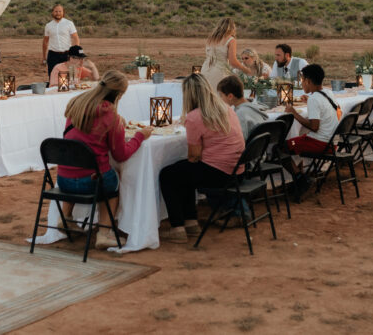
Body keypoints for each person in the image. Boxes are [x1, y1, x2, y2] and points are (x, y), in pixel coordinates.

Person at [56, 70, 152, 249]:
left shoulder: (76, 105)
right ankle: (104, 232)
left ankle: (66, 216)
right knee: (112, 178)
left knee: (77, 164)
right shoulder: (111, 118)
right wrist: (139, 136)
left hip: (63, 181)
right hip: (90, 183)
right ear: (120, 94)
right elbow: (120, 155)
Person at [158, 73, 245, 244]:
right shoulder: (224, 108)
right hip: (236, 170)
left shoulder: (195, 117)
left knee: (168, 175)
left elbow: (194, 155)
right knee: (185, 171)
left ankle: (178, 227)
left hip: (220, 174)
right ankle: (191, 222)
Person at [283, 64, 339, 197]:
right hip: (332, 142)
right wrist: (311, 100)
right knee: (295, 140)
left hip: (321, 143)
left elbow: (314, 127)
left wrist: (294, 113)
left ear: (308, 81)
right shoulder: (327, 93)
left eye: (302, 81)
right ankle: (301, 176)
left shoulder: (314, 99)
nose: (302, 84)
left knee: (280, 148)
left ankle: (300, 179)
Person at [200, 17, 248, 90]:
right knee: (221, 96)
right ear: (232, 27)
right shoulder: (231, 40)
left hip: (205, 69)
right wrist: (245, 69)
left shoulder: (210, 38)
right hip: (220, 71)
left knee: (208, 95)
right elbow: (233, 62)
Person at [43, 4, 79, 78]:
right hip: (53, 55)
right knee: (53, 77)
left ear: (63, 12)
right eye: (56, 11)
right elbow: (45, 42)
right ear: (52, 12)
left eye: (60, 11)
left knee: (70, 78)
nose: (58, 13)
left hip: (67, 55)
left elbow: (76, 38)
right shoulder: (48, 25)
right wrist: (44, 57)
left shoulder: (69, 23)